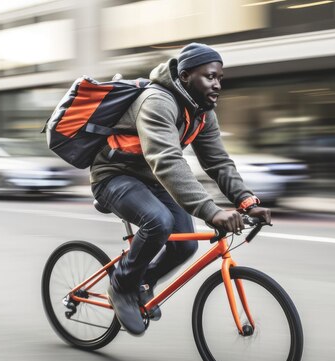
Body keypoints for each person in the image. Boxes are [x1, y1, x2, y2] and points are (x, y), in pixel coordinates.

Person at [90, 42, 271, 336]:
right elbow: (167, 161)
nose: (217, 84)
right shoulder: (157, 101)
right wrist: (211, 211)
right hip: (113, 175)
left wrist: (247, 202)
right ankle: (122, 286)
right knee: (158, 222)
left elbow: (218, 163)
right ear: (186, 76)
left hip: (150, 179)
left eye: (220, 78)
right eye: (210, 76)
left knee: (185, 243)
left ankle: (143, 281)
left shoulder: (202, 112)